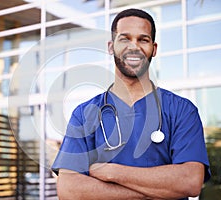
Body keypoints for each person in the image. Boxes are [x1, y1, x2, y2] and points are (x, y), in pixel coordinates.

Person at [51, 8, 211, 200]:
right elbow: (69, 190)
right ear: (111, 47)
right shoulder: (84, 114)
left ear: (154, 48)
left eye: (143, 39)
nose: (134, 47)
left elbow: (190, 181)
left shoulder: (182, 111)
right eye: (125, 39)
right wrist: (158, 191)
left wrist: (112, 172)